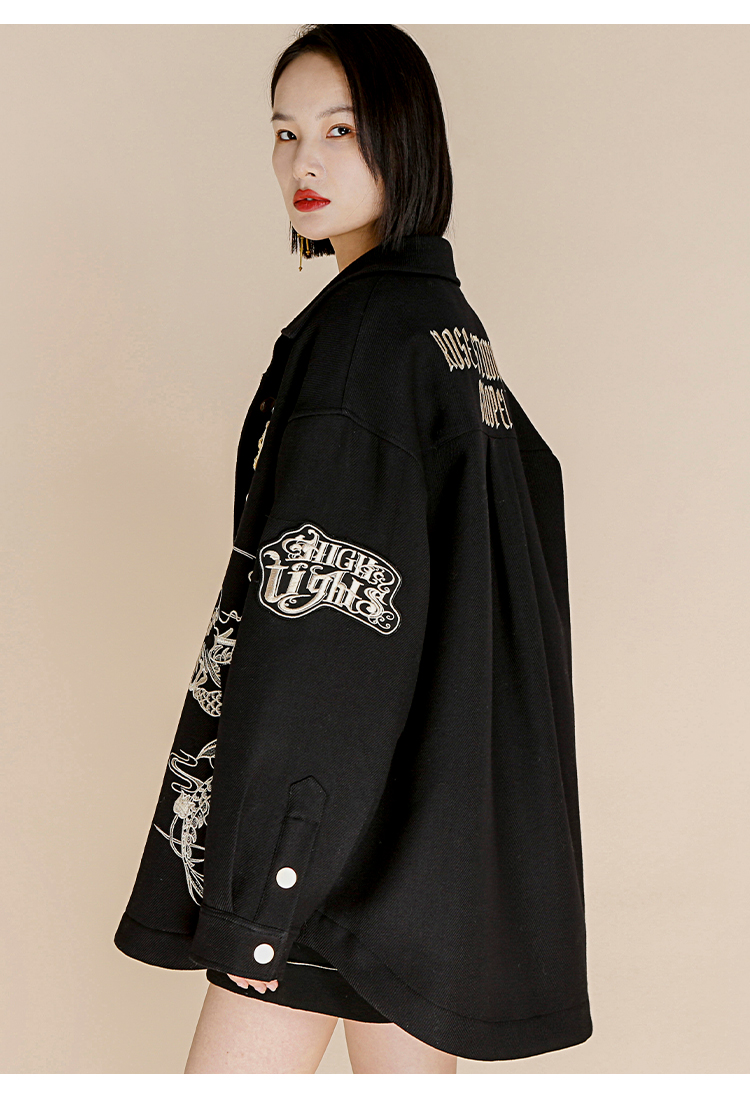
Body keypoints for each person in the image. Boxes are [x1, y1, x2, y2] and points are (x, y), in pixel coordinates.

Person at [114, 24, 592, 1075]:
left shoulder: (361, 343)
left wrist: (267, 894)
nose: (305, 161)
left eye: (341, 129)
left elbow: (324, 639)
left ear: (407, 137)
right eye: (285, 132)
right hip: (426, 846)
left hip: (333, 861)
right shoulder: (451, 334)